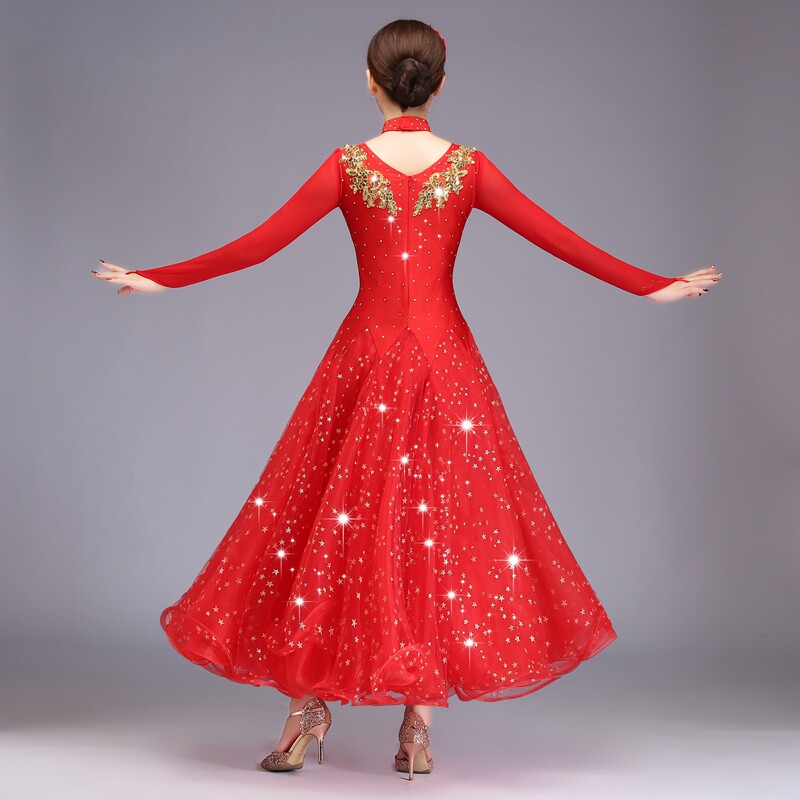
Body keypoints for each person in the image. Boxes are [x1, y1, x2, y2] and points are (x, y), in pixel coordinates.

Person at [93, 18, 722, 780]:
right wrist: (652, 286)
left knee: (328, 527)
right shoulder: (469, 168)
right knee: (437, 532)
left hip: (363, 359)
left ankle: (303, 715)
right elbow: (559, 239)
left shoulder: (347, 166)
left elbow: (260, 244)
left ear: (370, 82)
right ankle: (417, 731)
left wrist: (159, 278)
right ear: (441, 85)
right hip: (446, 365)